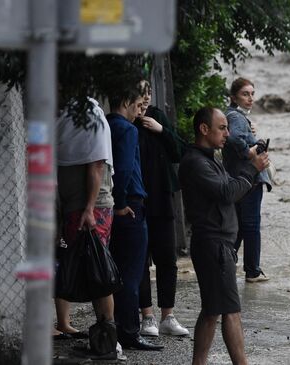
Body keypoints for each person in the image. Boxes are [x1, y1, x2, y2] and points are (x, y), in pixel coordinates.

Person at [179, 107, 269, 365]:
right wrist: (252, 169)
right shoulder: (196, 162)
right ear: (203, 129)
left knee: (211, 310)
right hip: (213, 244)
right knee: (231, 311)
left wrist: (249, 171)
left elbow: (231, 189)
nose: (227, 134)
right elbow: (228, 193)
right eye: (222, 128)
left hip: (216, 243)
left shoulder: (207, 158)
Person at [54, 98, 116, 341]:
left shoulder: (89, 113)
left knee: (98, 268)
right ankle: (102, 334)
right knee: (88, 267)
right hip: (74, 204)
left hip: (90, 206)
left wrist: (89, 208)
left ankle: (108, 336)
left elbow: (97, 164)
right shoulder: (65, 112)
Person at [107, 84, 163, 351]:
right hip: (129, 206)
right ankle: (129, 332)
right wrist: (120, 203)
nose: (141, 109)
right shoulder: (127, 130)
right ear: (127, 100)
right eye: (139, 103)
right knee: (132, 274)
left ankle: (116, 328)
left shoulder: (105, 124)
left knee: (116, 270)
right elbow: (125, 168)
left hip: (113, 206)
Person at [134, 80, 189, 338]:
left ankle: (168, 316)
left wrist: (161, 130)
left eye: (148, 93)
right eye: (141, 94)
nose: (145, 99)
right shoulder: (126, 123)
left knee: (167, 258)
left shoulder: (157, 117)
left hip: (163, 198)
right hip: (139, 201)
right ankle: (147, 317)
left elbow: (180, 151)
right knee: (141, 259)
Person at [223, 77, 272, 283]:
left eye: (252, 93)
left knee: (241, 225)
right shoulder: (235, 116)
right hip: (248, 177)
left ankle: (225, 260)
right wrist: (250, 151)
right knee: (251, 225)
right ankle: (252, 270)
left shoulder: (234, 115)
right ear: (234, 97)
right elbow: (234, 138)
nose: (251, 98)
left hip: (240, 177)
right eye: (245, 94)